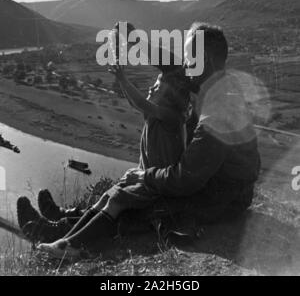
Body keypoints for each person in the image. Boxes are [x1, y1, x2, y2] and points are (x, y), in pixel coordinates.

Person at [20, 23, 261, 259]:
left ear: (204, 60)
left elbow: (185, 180)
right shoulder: (211, 81)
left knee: (135, 205)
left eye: (189, 57)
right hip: (214, 183)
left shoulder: (218, 111)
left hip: (222, 197)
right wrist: (134, 39)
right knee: (128, 192)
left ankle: (61, 235)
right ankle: (60, 221)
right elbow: (171, 64)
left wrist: (147, 176)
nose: (184, 63)